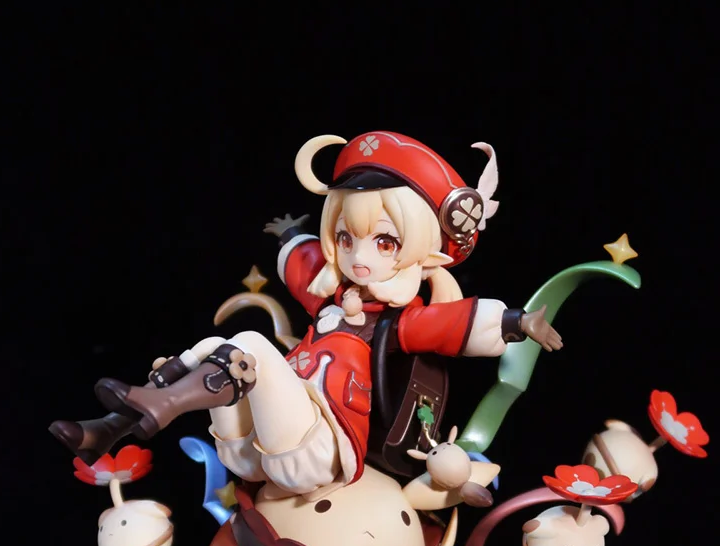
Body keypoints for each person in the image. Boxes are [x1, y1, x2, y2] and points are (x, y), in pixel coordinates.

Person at [51, 131, 562, 496]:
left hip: (322, 450)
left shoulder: (397, 323)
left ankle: (163, 403)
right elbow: (302, 267)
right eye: (346, 237)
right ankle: (107, 430)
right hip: (254, 446)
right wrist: (291, 236)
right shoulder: (329, 298)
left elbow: (454, 324)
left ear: (421, 251)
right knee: (215, 347)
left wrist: (518, 322)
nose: (359, 256)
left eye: (385, 242)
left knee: (250, 345)